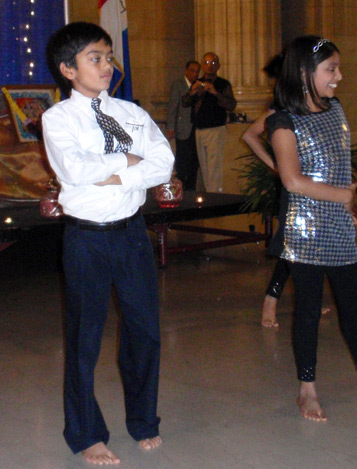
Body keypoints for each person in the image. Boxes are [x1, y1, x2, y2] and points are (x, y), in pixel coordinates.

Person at [266, 35, 357, 422]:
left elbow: (335, 161)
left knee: (351, 303)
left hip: (335, 221)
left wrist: (345, 200)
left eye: (338, 67)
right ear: (304, 72)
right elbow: (292, 181)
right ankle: (307, 389)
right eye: (331, 69)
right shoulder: (284, 119)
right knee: (309, 308)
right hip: (305, 226)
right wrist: (341, 197)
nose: (339, 76)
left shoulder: (335, 109)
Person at [43, 22, 174, 465]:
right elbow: (75, 171)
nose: (106, 65)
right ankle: (85, 434)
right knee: (84, 339)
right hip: (87, 240)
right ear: (67, 69)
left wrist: (117, 171)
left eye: (108, 56)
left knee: (145, 332)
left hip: (132, 234)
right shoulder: (57, 118)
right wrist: (128, 158)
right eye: (94, 58)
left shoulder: (131, 111)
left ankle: (143, 421)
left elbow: (163, 163)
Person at [242, 54, 329, 327]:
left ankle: (307, 300)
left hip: (318, 184)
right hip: (295, 186)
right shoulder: (281, 107)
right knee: (293, 245)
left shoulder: (324, 105)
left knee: (312, 245)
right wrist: (276, 166)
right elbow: (250, 135)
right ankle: (271, 299)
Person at [182, 52, 236, 192]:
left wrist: (215, 93)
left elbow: (231, 105)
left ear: (218, 66)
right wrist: (192, 92)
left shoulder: (223, 84)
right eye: (206, 63)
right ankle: (209, 195)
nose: (209, 66)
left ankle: (215, 196)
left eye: (212, 63)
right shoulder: (197, 82)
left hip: (215, 128)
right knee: (205, 167)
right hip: (199, 129)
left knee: (214, 167)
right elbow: (185, 103)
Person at [167, 60, 201, 190]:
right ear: (186, 71)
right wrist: (171, 127)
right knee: (182, 160)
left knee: (194, 161)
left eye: (197, 71)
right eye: (192, 70)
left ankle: (191, 188)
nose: (195, 74)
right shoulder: (179, 85)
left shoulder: (199, 85)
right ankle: (181, 188)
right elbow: (173, 106)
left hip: (195, 128)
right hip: (183, 127)